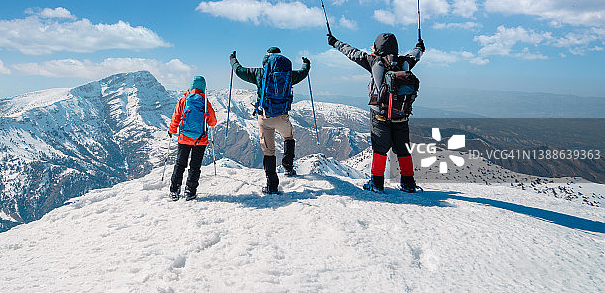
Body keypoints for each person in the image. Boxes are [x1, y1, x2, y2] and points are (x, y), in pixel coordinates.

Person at [327, 32, 425, 193]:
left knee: (380, 149)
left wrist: (334, 42)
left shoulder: (374, 61)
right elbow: (416, 54)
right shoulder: (405, 62)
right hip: (401, 115)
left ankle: (377, 183)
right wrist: (420, 46)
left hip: (380, 114)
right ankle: (408, 183)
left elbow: (351, 52)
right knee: (403, 149)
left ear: (378, 47)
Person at [229, 47, 310, 194]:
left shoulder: (259, 73)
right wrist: (306, 64)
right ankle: (288, 167)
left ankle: (272, 186)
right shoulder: (288, 74)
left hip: (265, 117)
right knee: (288, 137)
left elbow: (239, 71)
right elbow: (303, 73)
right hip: (282, 117)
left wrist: (233, 60)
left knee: (269, 151)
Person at [168, 75, 217, 201]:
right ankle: (190, 191)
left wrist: (171, 130)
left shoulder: (183, 100)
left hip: (184, 138)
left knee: (180, 164)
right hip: (200, 140)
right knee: (195, 166)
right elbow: (212, 122)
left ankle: (174, 190)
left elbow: (176, 118)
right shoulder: (205, 103)